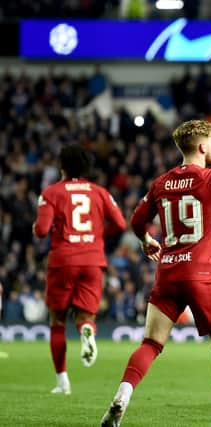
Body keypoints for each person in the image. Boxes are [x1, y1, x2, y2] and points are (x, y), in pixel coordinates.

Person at [100, 120, 211, 427]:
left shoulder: (161, 183)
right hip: (201, 273)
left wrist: (146, 241)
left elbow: (136, 221)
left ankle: (122, 396)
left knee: (151, 344)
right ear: (202, 147)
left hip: (168, 271)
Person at [33, 144, 126, 395]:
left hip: (63, 260)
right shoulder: (100, 192)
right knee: (86, 317)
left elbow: (41, 230)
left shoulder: (51, 193)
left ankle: (63, 381)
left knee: (57, 322)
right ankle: (87, 331)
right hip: (92, 260)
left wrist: (37, 227)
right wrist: (97, 236)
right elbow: (120, 223)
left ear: (62, 166)